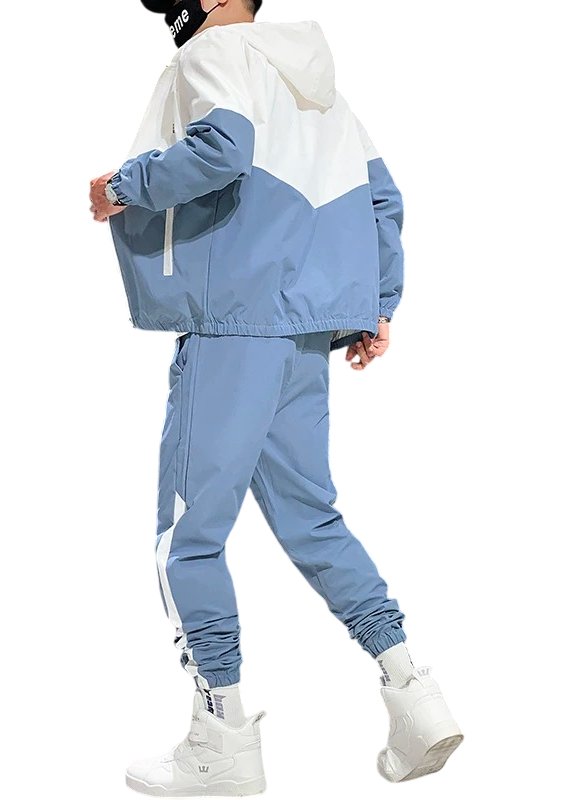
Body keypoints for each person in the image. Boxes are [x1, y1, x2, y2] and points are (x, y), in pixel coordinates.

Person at [89, 1, 463, 794]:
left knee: (187, 537)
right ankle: (413, 692)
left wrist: (123, 186)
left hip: (235, 326)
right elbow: (381, 197)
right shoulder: (319, 87)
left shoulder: (212, 55)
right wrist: (377, 305)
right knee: (312, 520)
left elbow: (223, 149)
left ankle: (221, 737)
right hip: (302, 334)